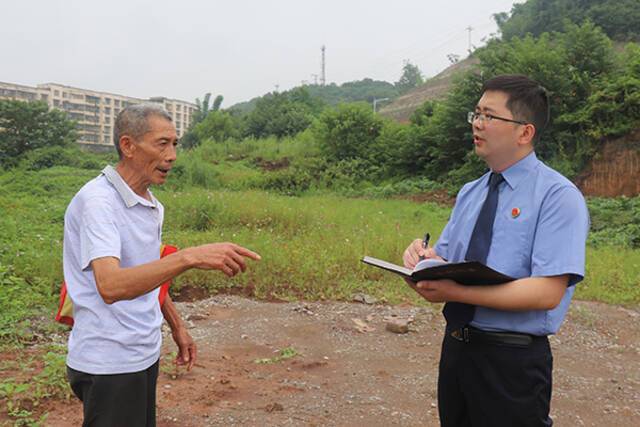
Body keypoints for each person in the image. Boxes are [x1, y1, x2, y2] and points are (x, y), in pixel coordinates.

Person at [403, 74, 589, 427]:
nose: (477, 123)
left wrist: (456, 291)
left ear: (524, 132)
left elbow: (547, 291)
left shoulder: (557, 197)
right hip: (457, 350)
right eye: (476, 114)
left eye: (489, 116)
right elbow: (448, 261)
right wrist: (422, 261)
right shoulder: (471, 192)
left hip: (511, 359)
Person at [63, 104, 261, 427]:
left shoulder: (151, 204)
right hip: (110, 362)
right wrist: (187, 257)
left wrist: (176, 325)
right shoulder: (98, 202)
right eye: (162, 144)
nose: (172, 156)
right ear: (128, 146)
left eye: (175, 144)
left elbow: (145, 271)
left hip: (142, 352)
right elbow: (111, 285)